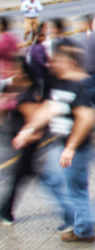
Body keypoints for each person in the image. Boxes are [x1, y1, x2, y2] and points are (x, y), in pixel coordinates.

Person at [13, 42, 95, 243]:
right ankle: (81, 224)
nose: (52, 63)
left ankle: (91, 225)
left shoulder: (78, 85)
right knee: (55, 181)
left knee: (75, 190)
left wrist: (70, 147)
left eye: (57, 60)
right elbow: (48, 109)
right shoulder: (61, 83)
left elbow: (85, 118)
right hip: (62, 144)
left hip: (74, 147)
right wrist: (28, 130)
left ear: (68, 62)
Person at [1, 58, 73, 229]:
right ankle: (5, 211)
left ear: (22, 72)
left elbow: (37, 125)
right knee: (29, 177)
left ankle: (73, 215)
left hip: (27, 146)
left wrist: (23, 138)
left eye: (15, 69)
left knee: (42, 180)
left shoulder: (28, 95)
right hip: (24, 145)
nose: (12, 72)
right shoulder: (23, 90)